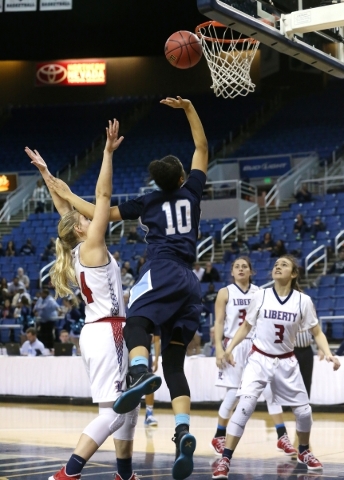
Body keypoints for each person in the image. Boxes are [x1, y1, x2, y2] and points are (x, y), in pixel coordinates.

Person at [46, 96, 208, 480]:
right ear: (183, 178)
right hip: (190, 280)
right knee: (173, 364)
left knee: (137, 325)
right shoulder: (193, 192)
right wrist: (188, 108)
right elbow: (201, 147)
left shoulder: (148, 202)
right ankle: (182, 429)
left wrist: (66, 195)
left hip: (159, 274)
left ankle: (138, 374)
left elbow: (101, 209)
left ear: (156, 182)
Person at [25, 119, 140, 480]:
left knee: (127, 406)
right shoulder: (92, 246)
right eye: (84, 219)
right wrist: (107, 153)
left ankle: (124, 473)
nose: (90, 218)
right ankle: (68, 472)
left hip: (94, 334)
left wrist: (47, 173)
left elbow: (65, 208)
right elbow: (103, 198)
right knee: (114, 413)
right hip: (110, 333)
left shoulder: (75, 249)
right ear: (80, 228)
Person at [212, 254, 341, 478]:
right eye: (276, 264)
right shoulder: (260, 295)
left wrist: (328, 353)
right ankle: (225, 459)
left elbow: (317, 331)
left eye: (284, 264)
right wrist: (230, 347)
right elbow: (245, 327)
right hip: (259, 359)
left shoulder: (303, 300)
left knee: (304, 413)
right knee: (244, 406)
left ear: (293, 274)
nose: (278, 266)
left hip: (287, 361)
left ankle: (303, 450)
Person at [211, 256, 295, 457]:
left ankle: (281, 436)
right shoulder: (224, 293)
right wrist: (220, 350)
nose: (240, 269)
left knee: (269, 390)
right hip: (234, 344)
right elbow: (219, 323)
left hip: (257, 345)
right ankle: (219, 435)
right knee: (233, 395)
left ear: (251, 271)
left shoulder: (260, 292)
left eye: (244, 266)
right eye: (236, 266)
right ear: (231, 272)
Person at [144, 326, 161, 427]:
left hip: (147, 354)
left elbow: (157, 339)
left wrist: (156, 359)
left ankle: (149, 413)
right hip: (128, 351)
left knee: (150, 382)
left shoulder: (153, 316)